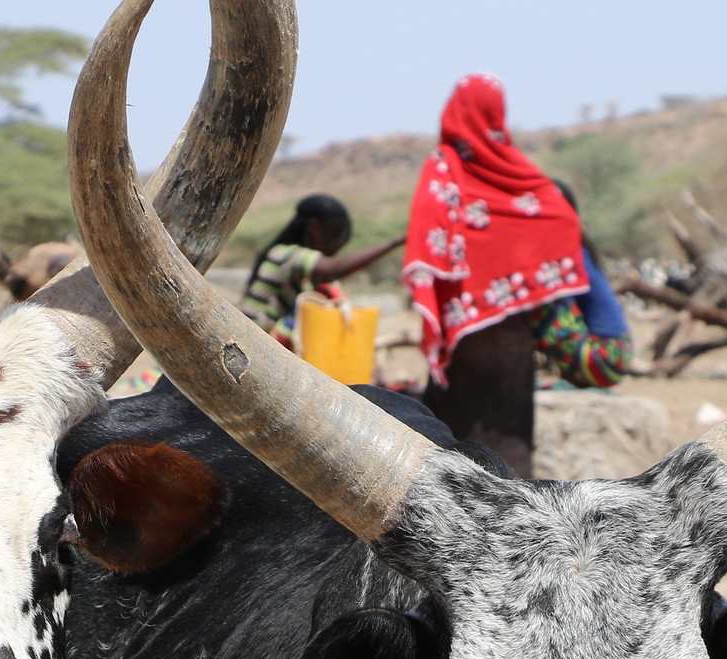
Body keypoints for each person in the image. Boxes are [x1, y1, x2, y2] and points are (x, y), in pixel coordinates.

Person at [402, 74, 632, 477]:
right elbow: (557, 222)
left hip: (467, 351)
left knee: (452, 467)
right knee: (508, 470)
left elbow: (428, 244)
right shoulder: (532, 191)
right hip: (514, 367)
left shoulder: (442, 175)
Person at [240, 194, 403, 348]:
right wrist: (394, 243)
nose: (339, 243)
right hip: (249, 340)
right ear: (313, 227)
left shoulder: (309, 275)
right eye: (334, 233)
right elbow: (336, 268)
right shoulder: (286, 255)